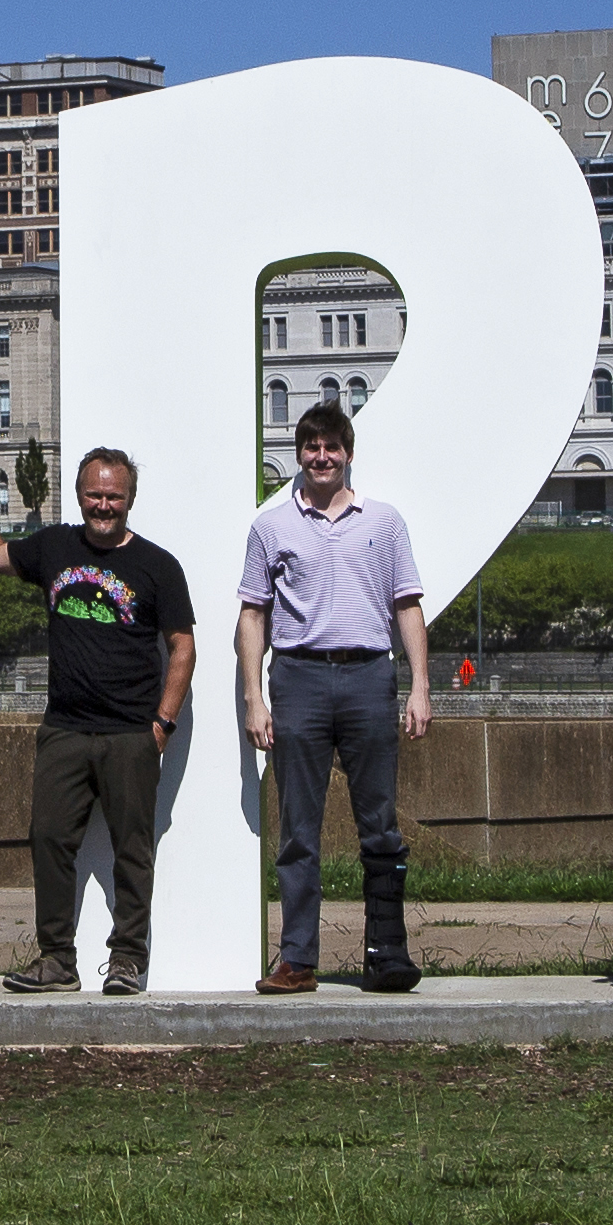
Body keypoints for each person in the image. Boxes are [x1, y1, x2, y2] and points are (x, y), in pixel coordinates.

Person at [0, 437, 196, 995]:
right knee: (48, 839)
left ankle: (129, 960)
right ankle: (57, 961)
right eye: (93, 496)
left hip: (132, 733)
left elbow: (182, 647)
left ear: (130, 498)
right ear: (80, 496)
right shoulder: (56, 547)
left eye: (113, 497)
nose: (103, 506)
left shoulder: (157, 566)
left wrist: (162, 724)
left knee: (133, 850)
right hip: (63, 729)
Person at [237, 398, 432, 994]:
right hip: (298, 678)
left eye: (332, 447)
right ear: (298, 454)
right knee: (299, 826)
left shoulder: (385, 522)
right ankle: (297, 957)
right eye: (311, 448)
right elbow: (252, 613)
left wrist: (421, 685)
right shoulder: (270, 525)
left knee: (380, 822)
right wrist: (253, 695)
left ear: (348, 453)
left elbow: (407, 605)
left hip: (369, 677)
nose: (322, 457)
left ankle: (387, 953)